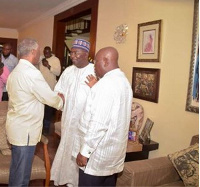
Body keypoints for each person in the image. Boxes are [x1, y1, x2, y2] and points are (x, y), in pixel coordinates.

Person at [6, 38, 64, 186]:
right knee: (21, 176)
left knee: (16, 170)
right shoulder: (31, 73)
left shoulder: (15, 72)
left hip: (16, 127)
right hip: (25, 130)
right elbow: (49, 98)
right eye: (38, 52)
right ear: (33, 52)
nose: (40, 55)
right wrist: (61, 100)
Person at [72, 47, 133, 187]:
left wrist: (85, 152)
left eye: (96, 62)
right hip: (112, 156)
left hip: (96, 157)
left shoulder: (105, 85)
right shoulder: (124, 82)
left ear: (105, 61)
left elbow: (99, 123)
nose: (94, 67)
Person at [51, 38, 95, 187]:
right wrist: (59, 96)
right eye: (71, 52)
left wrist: (95, 88)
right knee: (67, 149)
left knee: (80, 153)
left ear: (86, 54)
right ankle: (66, 180)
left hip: (84, 123)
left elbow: (103, 98)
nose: (72, 55)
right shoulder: (68, 71)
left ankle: (78, 183)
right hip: (68, 119)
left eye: (76, 52)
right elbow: (58, 89)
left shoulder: (95, 71)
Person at [39, 46, 61, 134]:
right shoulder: (41, 59)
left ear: (51, 52)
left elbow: (58, 72)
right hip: (41, 87)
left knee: (48, 109)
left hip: (50, 88)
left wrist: (48, 65)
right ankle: (40, 127)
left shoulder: (55, 60)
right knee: (40, 108)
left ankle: (46, 128)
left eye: (48, 52)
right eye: (45, 52)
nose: (46, 54)